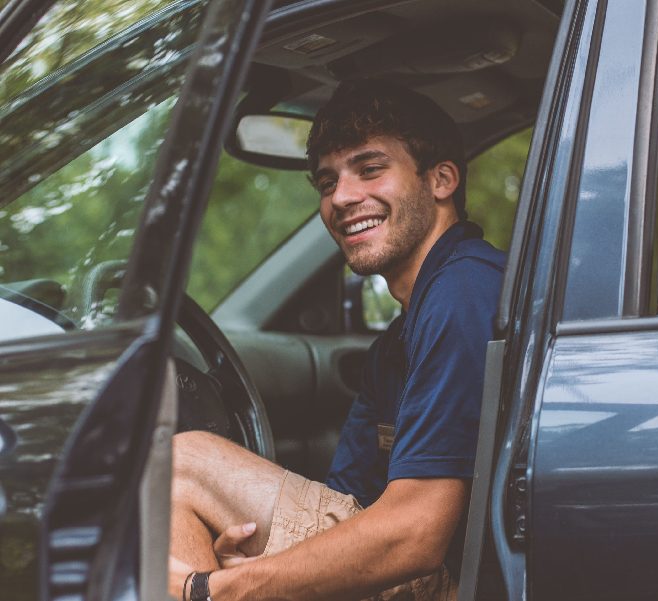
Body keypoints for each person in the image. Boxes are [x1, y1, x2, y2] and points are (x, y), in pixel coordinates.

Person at [168, 79, 505, 601]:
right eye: (327, 182)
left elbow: (414, 535)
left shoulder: (464, 291)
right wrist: (266, 563)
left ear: (441, 180)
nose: (342, 197)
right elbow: (347, 506)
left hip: (467, 585)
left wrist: (215, 589)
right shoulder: (395, 343)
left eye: (370, 169)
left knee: (179, 464)